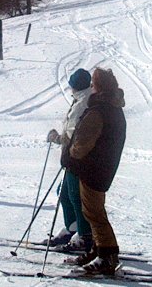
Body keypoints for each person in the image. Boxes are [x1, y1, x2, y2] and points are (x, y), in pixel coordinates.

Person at [61, 67, 127, 275]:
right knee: (93, 210)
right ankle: (98, 250)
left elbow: (82, 143)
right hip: (103, 166)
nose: (92, 87)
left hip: (93, 168)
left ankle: (106, 255)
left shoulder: (99, 110)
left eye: (94, 84)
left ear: (98, 86)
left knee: (94, 212)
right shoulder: (112, 107)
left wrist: (70, 155)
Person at [45, 68, 94, 252]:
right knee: (65, 192)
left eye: (72, 86)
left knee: (75, 195)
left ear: (76, 86)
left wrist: (57, 138)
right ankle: (73, 228)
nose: (70, 89)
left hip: (77, 160)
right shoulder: (82, 98)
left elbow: (73, 135)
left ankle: (83, 235)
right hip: (73, 158)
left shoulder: (83, 103)